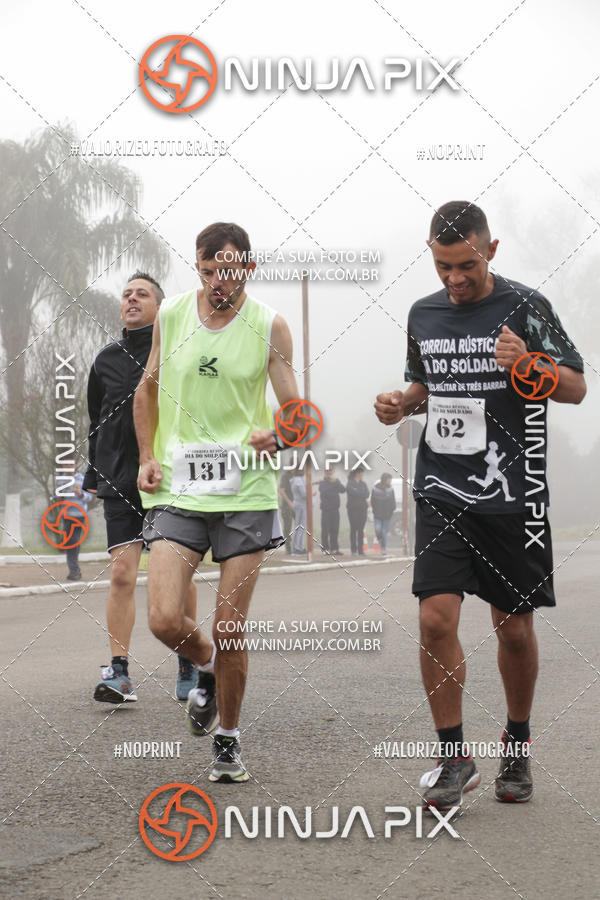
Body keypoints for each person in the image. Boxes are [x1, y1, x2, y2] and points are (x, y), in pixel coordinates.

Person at [375, 201, 586, 810]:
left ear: (490, 252)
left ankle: (516, 745)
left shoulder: (525, 306)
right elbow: (425, 384)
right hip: (443, 488)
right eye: (443, 266)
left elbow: (575, 386)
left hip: (512, 498)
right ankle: (453, 758)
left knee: (512, 629)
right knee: (435, 618)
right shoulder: (423, 313)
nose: (454, 279)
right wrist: (401, 404)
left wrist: (530, 365)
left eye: (466, 265)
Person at [134, 222, 299, 783]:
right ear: (198, 267)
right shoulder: (172, 315)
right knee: (161, 618)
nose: (219, 283)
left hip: (245, 492)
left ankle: (227, 739)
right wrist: (145, 456)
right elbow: (146, 390)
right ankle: (205, 668)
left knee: (231, 627)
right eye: (209, 272)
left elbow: (296, 412)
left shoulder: (269, 325)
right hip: (179, 489)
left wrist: (280, 435)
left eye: (230, 273)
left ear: (247, 269)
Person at [84, 272, 198, 705]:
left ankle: (188, 663)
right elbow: (97, 420)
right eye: (127, 294)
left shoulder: (178, 350)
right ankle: (119, 673)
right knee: (121, 574)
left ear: (159, 306)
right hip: (118, 477)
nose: (132, 299)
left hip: (169, 477)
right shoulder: (105, 359)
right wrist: (93, 475)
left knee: (177, 574)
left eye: (142, 294)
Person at [318, 466, 345, 555]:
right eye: (327, 471)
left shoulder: (336, 481)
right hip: (326, 510)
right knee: (325, 530)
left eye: (331, 470)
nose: (329, 472)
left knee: (335, 529)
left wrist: (336, 482)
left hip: (335, 509)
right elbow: (324, 491)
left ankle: (335, 548)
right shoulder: (322, 482)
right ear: (325, 472)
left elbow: (343, 490)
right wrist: (333, 484)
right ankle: (325, 549)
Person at [370, 473, 396, 556]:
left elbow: (393, 502)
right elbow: (372, 501)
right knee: (378, 529)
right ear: (385, 479)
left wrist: (391, 511)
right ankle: (380, 540)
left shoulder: (391, 490)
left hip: (387, 515)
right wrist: (374, 510)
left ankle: (383, 548)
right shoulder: (375, 489)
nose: (390, 481)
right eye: (389, 479)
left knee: (384, 531)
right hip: (377, 514)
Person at [346, 468, 369, 556]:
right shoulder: (350, 483)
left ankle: (360, 550)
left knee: (360, 530)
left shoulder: (363, 484)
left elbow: (366, 494)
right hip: (352, 510)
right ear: (357, 474)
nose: (362, 475)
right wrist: (360, 493)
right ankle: (353, 549)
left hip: (362, 509)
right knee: (353, 529)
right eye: (361, 473)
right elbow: (351, 492)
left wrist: (358, 492)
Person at [290, 468, 307, 555]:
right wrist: (311, 493)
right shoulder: (298, 480)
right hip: (301, 505)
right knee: (300, 527)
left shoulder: (295, 480)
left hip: (298, 504)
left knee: (299, 527)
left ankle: (299, 547)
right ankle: (298, 548)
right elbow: (303, 493)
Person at [278, 469, 294, 555]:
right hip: (286, 506)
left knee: (300, 526)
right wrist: (289, 502)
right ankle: (288, 547)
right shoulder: (285, 476)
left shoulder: (298, 475)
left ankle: (297, 546)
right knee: (287, 527)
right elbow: (281, 490)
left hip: (297, 504)